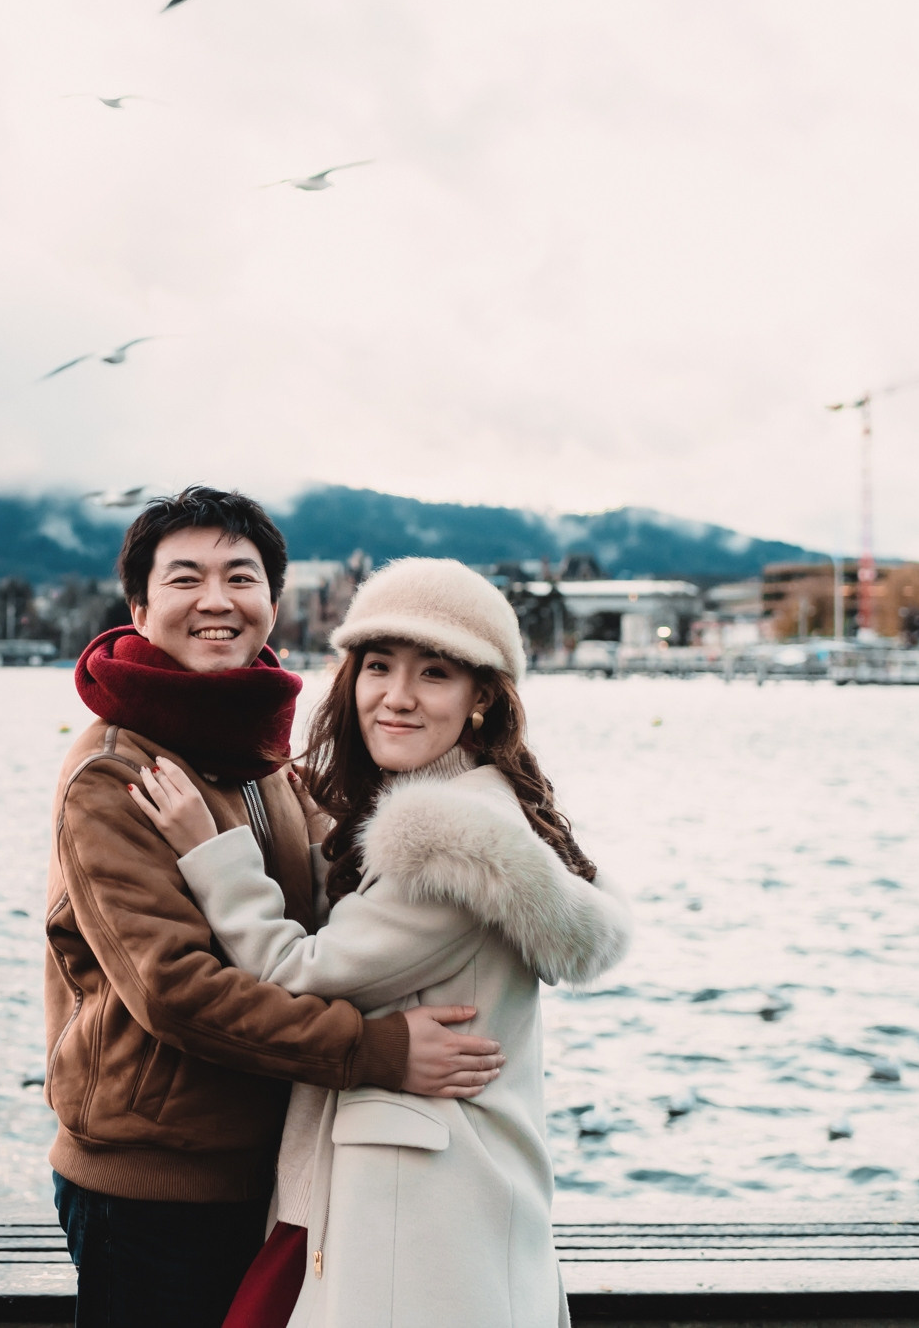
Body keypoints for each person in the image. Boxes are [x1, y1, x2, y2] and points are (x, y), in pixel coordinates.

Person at [128, 556, 634, 1327]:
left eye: (434, 673)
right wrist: (319, 831)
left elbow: (296, 969)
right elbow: (379, 937)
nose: (397, 696)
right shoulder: (482, 809)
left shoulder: (446, 842)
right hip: (446, 1202)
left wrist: (213, 850)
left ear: (481, 697)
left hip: (415, 1219)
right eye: (378, 666)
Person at [46, 490, 510, 1328]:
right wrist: (375, 1050)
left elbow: (332, 903)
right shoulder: (119, 774)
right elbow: (175, 992)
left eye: (240, 577)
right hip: (155, 1185)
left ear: (272, 601)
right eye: (185, 578)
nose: (216, 600)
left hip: (265, 1165)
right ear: (139, 608)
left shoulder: (253, 748)